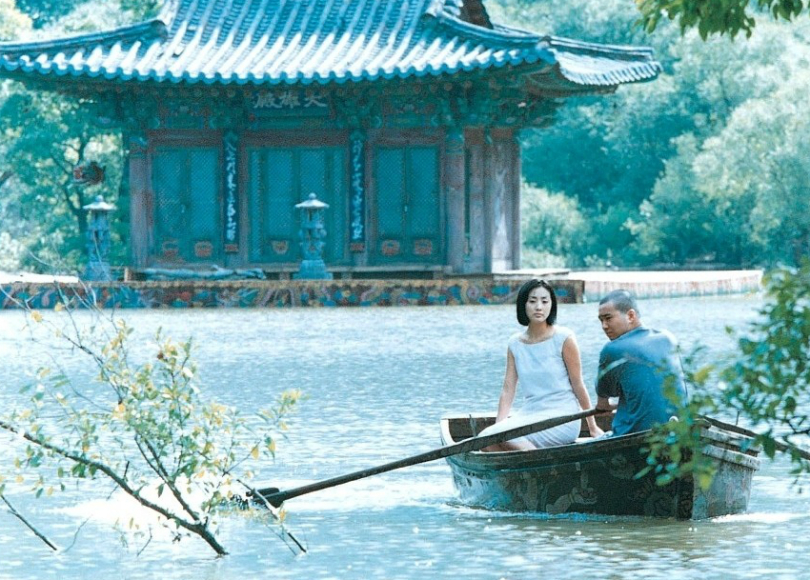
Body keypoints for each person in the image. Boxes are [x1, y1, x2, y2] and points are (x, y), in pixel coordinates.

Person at [480, 279, 603, 451]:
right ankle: (524, 464)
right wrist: (498, 427)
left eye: (544, 301)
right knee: (485, 439)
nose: (539, 307)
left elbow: (578, 384)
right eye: (532, 301)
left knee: (504, 436)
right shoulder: (515, 343)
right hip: (530, 413)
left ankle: (539, 462)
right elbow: (508, 390)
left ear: (552, 305)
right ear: (523, 304)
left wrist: (592, 427)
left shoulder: (564, 338)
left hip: (562, 417)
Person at [594, 289, 687, 436]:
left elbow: (603, 402)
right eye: (601, 320)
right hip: (679, 430)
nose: (604, 326)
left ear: (631, 316)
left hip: (636, 437)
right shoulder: (668, 337)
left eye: (608, 318)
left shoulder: (612, 349)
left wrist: (605, 405)